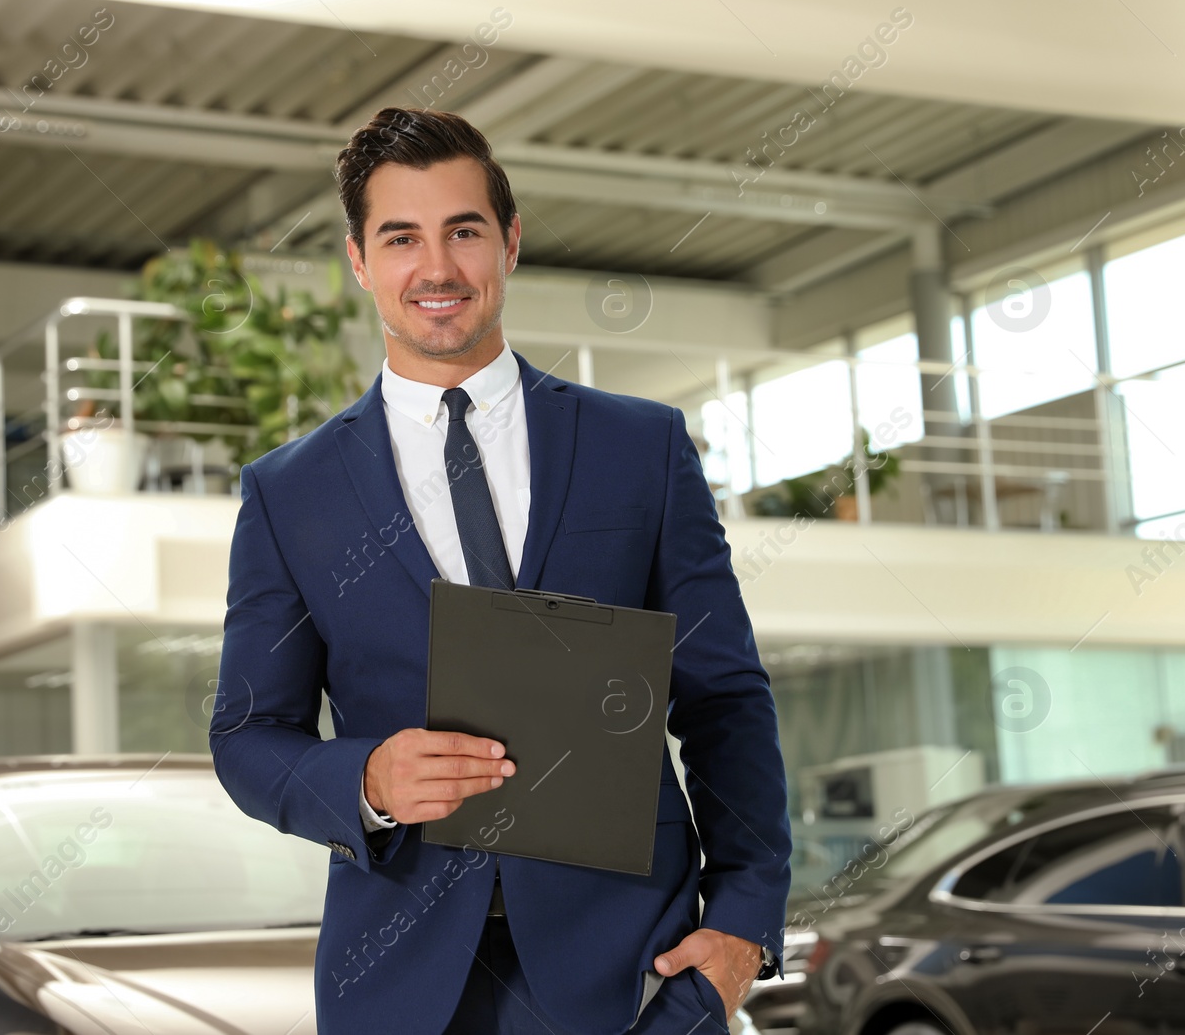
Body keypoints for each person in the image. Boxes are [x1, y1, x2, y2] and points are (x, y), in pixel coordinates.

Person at [210, 105, 790, 1035]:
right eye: (401, 237)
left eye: (464, 231)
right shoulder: (291, 493)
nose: (436, 269)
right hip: (400, 986)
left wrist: (743, 929)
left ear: (509, 244)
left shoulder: (638, 448)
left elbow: (725, 699)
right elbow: (247, 735)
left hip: (636, 981)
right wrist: (367, 780)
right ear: (360, 261)